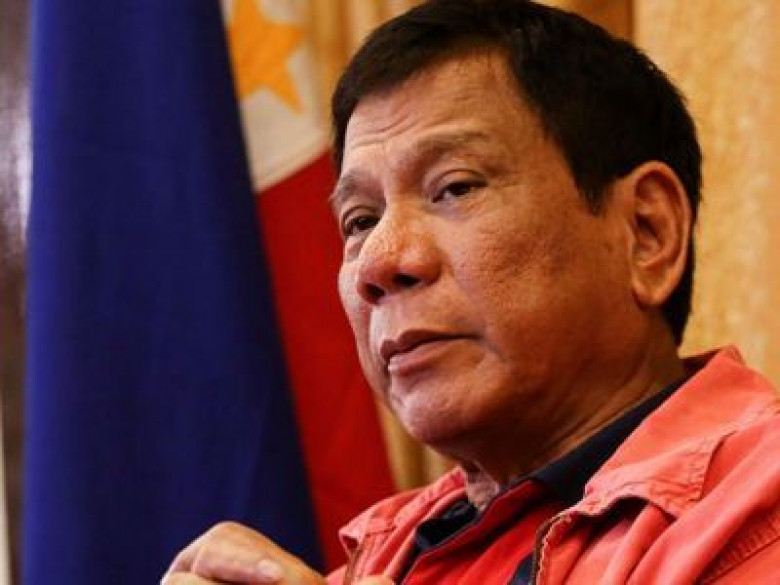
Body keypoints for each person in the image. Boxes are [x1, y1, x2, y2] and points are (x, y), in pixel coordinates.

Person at [161, 1, 780, 583]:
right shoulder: (388, 551)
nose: (379, 261)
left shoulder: (757, 499)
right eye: (359, 221)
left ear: (646, 232)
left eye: (454, 187)